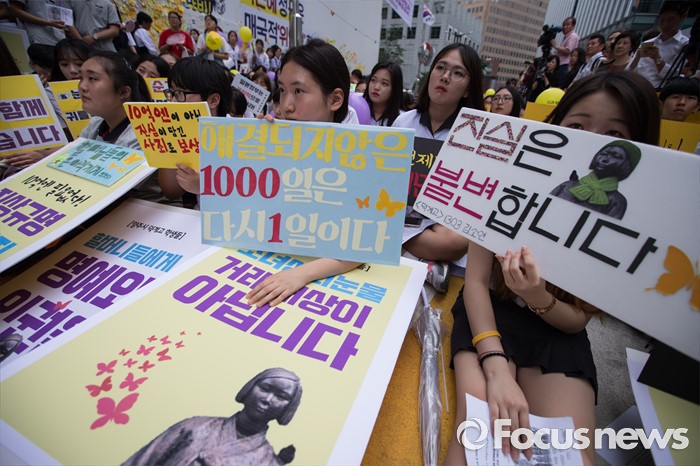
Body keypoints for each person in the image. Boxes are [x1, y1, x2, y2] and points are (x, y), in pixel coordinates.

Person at [445, 71, 661, 466]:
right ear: (555, 125)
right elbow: (474, 283)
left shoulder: (622, 217)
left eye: (615, 135)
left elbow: (577, 321)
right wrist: (496, 367)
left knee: (570, 454)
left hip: (557, 333)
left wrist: (536, 295)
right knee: (478, 442)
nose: (594, 145)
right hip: (488, 319)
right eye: (578, 126)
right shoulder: (510, 177)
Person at [246, 38, 362, 308]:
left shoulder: (362, 156)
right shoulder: (275, 139)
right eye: (282, 90)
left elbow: (360, 248)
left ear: (335, 99)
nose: (285, 105)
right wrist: (255, 150)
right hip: (269, 261)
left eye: (298, 91)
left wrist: (301, 275)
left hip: (325, 284)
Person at [392, 43, 484, 292]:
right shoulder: (404, 122)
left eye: (457, 73)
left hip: (444, 222)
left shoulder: (475, 134)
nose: (445, 76)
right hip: (401, 213)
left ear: (468, 88)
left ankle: (401, 249)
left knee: (455, 242)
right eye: (440, 68)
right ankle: (425, 260)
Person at [122, 367, 302, 466]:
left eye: (281, 396)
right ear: (249, 388)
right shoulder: (194, 426)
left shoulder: (268, 462)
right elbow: (140, 461)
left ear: (288, 408)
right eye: (265, 388)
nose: (267, 400)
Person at [157, 57, 233, 204]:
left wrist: (206, 187)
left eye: (180, 93)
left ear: (213, 100)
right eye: (171, 93)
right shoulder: (180, 131)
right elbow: (170, 191)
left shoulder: (240, 136)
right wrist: (170, 139)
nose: (172, 102)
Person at [550, 140, 641, 220]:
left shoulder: (617, 201)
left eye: (616, 156)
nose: (604, 159)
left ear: (627, 165)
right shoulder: (567, 185)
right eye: (604, 153)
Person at [633, 0, 689, 89]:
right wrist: (636, 58)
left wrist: (657, 58)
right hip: (636, 87)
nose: (665, 24)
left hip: (659, 91)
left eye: (670, 20)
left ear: (682, 17)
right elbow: (629, 70)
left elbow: (674, 75)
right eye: (662, 20)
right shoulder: (647, 43)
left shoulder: (684, 44)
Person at [362, 61, 404, 126]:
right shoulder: (356, 112)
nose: (376, 87)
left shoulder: (403, 120)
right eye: (373, 80)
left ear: (395, 88)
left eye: (384, 83)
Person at [551, 16, 579, 82]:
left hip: (564, 66)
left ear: (573, 26)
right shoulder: (567, 36)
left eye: (567, 24)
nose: (564, 27)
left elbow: (568, 51)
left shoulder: (573, 36)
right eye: (563, 25)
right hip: (561, 65)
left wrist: (555, 46)